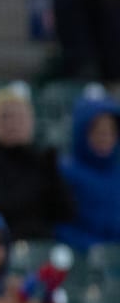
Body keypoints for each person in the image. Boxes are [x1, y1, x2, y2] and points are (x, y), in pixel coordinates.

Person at [0, 85, 75, 242]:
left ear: (31, 122)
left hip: (44, 242)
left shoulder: (43, 161)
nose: (13, 123)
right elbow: (1, 208)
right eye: (5, 117)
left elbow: (66, 211)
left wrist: (51, 173)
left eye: (19, 117)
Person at [55, 93, 120, 252]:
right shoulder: (65, 172)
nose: (105, 137)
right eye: (98, 131)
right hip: (81, 260)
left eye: (110, 132)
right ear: (82, 133)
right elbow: (59, 226)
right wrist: (94, 248)